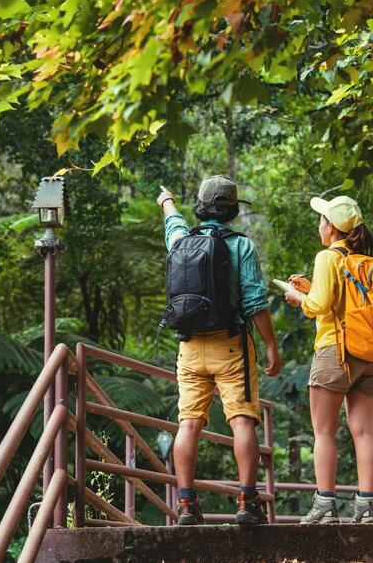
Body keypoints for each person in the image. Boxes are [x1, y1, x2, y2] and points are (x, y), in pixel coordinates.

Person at [158, 176, 282, 527]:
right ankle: (247, 501)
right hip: (231, 345)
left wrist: (167, 200)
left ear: (201, 204)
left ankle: (186, 505)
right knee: (241, 420)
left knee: (189, 423)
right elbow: (255, 302)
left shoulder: (182, 240)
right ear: (231, 208)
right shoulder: (241, 246)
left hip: (190, 347)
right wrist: (271, 345)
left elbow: (173, 222)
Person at [281, 194, 373, 524]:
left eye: (321, 220)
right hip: (371, 355)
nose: (319, 225)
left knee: (324, 432)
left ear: (331, 227)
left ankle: (326, 504)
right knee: (363, 431)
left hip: (335, 352)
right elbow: (342, 300)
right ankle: (367, 506)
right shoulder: (368, 262)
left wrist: (300, 298)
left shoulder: (328, 257)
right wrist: (313, 289)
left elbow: (320, 306)